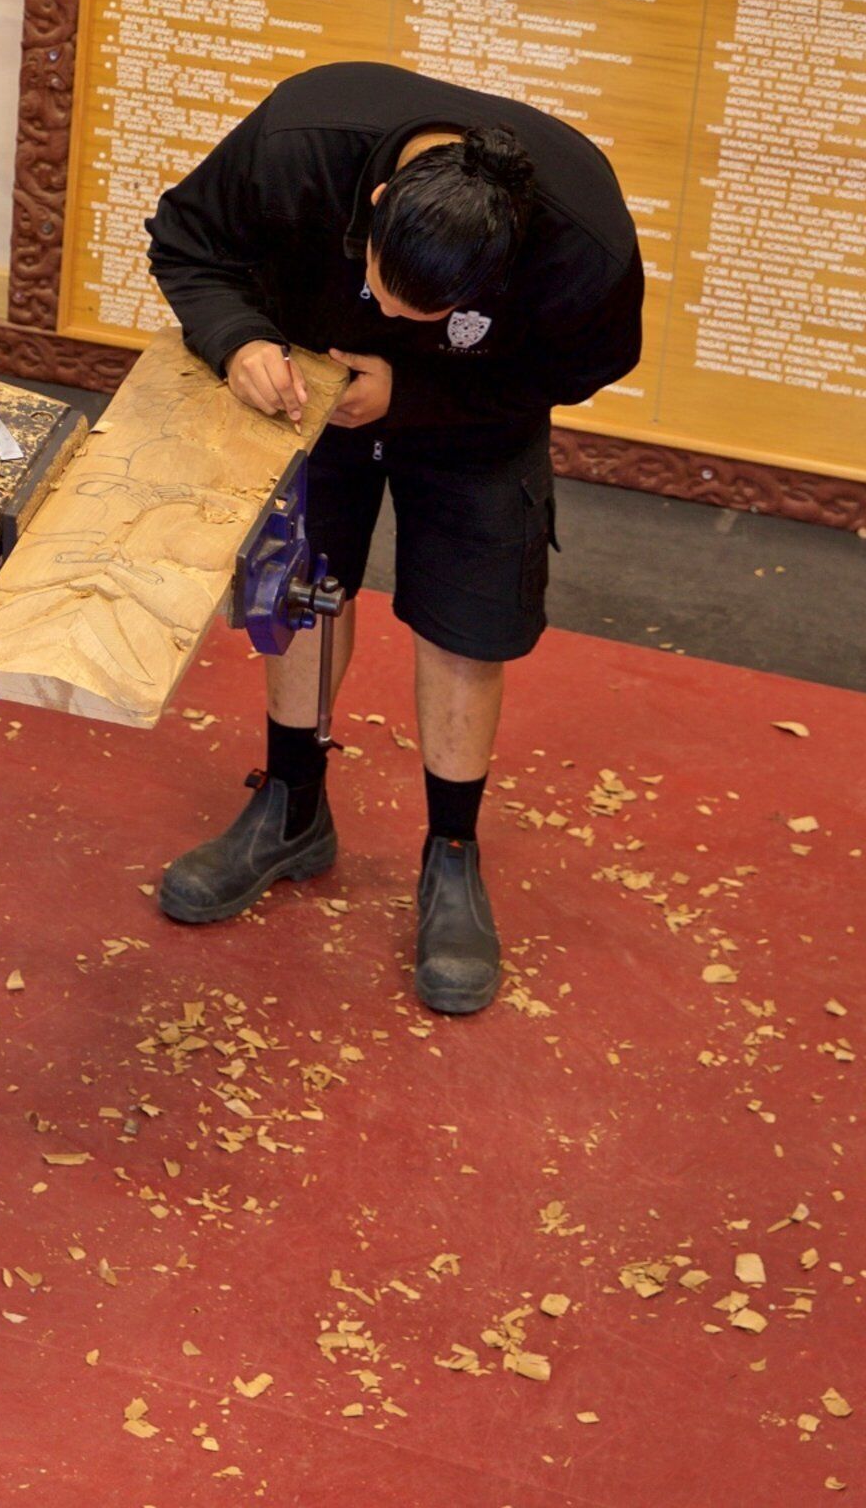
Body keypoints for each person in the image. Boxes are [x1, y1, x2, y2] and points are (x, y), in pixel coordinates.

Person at [141, 60, 644, 1012]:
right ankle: (291, 805)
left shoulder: (584, 245)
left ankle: (451, 853)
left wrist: (411, 389)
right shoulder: (300, 143)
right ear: (372, 205)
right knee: (297, 586)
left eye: (430, 313)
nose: (396, 318)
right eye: (385, 288)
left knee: (470, 620)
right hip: (305, 385)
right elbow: (186, 241)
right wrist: (240, 339)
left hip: (473, 414)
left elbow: (584, 369)